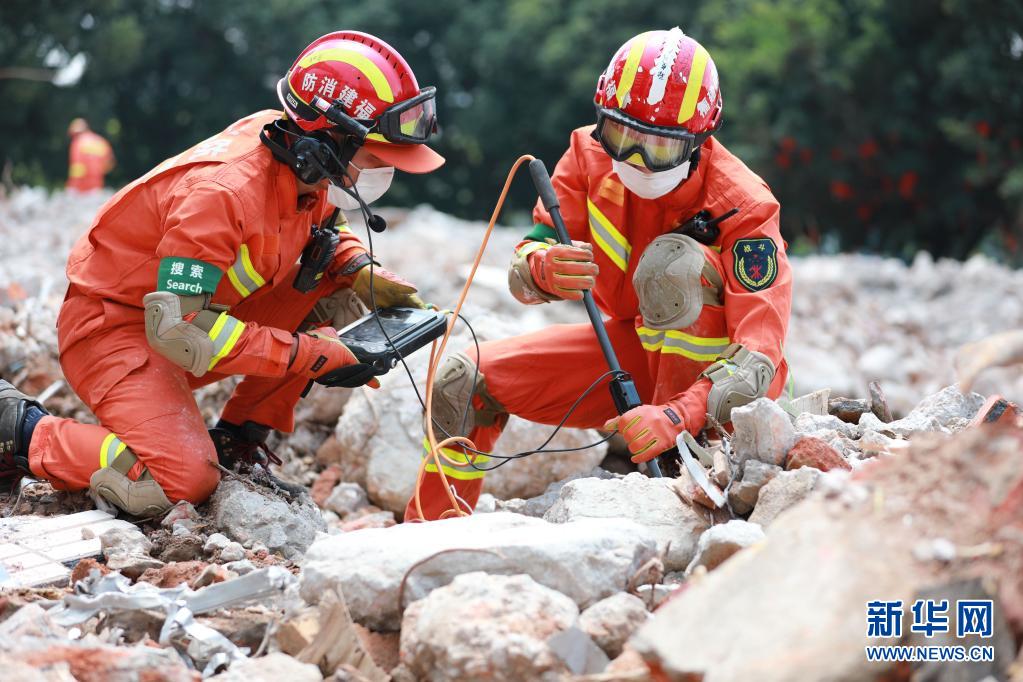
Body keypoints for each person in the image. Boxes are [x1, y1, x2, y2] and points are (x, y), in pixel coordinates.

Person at [0, 31, 443, 516]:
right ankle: (23, 430)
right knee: (177, 481)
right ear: (326, 142)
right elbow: (180, 331)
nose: (383, 173)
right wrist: (313, 355)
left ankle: (236, 441)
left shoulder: (301, 158)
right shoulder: (222, 195)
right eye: (377, 159)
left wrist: (358, 268)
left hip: (182, 320)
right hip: (118, 331)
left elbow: (324, 229)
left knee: (327, 282)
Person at [406, 27, 791, 521]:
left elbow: (759, 357)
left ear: (699, 140)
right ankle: (428, 528)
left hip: (713, 391)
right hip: (631, 351)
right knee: (463, 380)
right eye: (622, 136)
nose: (636, 160)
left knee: (671, 265)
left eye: (660, 147)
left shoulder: (744, 205)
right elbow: (531, 254)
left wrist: (679, 414)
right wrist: (540, 270)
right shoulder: (588, 156)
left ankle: (684, 459)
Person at [66, 118, 115, 192]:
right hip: (97, 186)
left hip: (80, 187)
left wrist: (72, 185)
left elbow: (77, 166)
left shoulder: (79, 142)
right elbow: (110, 163)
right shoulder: (100, 142)